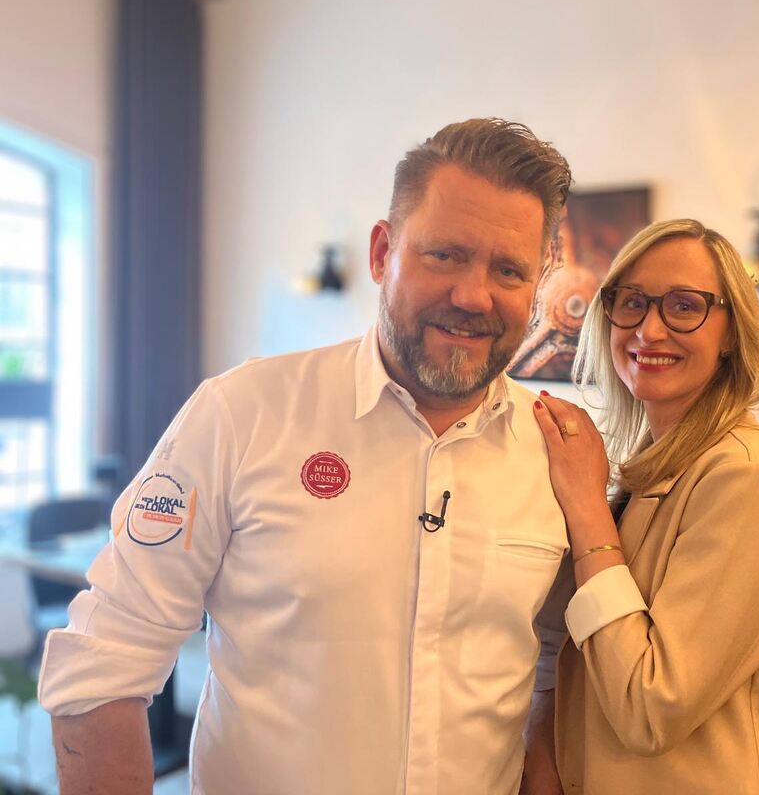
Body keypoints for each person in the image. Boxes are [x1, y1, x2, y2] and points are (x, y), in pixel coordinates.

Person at [39, 118, 575, 794]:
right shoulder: (242, 413)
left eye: (508, 270)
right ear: (381, 253)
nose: (473, 296)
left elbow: (557, 664)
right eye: (445, 255)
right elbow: (105, 657)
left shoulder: (560, 453)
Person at [531, 219, 759, 794]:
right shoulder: (659, 463)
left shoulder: (743, 477)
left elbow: (649, 707)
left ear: (731, 332)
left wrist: (586, 507)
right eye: (632, 302)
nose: (650, 329)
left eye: (684, 306)